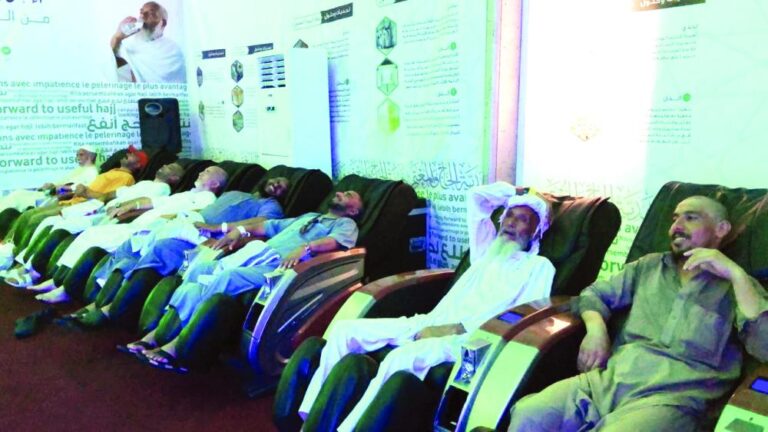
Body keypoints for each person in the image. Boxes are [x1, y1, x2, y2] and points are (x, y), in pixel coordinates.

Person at [294, 182, 555, 431]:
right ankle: (312, 418)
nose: (511, 223)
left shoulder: (539, 267)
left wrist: (456, 328)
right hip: (428, 321)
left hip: (469, 339)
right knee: (344, 330)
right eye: (509, 215)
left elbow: (522, 317)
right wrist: (516, 191)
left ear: (535, 231)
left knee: (398, 358)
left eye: (522, 219)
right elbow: (476, 197)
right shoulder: (486, 251)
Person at [507, 196, 768, 431]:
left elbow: (765, 348)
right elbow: (593, 295)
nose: (676, 226)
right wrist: (596, 331)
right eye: (674, 218)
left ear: (721, 229)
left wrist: (736, 274)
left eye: (691, 218)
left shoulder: (741, 288)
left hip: (671, 400)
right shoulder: (648, 267)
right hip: (608, 381)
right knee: (529, 414)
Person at [115, 190, 365, 372]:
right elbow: (266, 227)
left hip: (277, 268)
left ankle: (177, 343)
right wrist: (237, 231)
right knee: (201, 270)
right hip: (255, 256)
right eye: (341, 191)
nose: (341, 193)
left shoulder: (347, 223)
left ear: (354, 210)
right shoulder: (308, 216)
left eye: (349, 195)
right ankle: (158, 334)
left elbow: (337, 243)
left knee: (228, 278)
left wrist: (306, 248)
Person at [52, 176, 290, 322]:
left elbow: (263, 224)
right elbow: (199, 211)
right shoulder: (233, 193)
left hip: (203, 238)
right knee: (130, 244)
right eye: (278, 179)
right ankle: (98, 296)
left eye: (282, 187)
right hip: (187, 223)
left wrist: (219, 228)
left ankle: (108, 308)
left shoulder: (270, 205)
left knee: (160, 249)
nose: (277, 185)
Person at [34, 166, 228, 304]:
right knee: (88, 235)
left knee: (92, 236)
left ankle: (64, 287)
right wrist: (128, 205)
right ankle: (59, 280)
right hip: (136, 226)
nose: (200, 173)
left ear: (214, 183)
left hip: (149, 232)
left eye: (206, 172)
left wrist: (165, 218)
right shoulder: (185, 194)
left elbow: (192, 216)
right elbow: (152, 201)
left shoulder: (208, 198)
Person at [2, 162, 185, 288]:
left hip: (109, 217)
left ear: (175, 178)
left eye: (169, 167)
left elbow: (143, 205)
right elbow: (107, 196)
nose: (163, 166)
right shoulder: (143, 183)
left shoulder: (163, 189)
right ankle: (21, 264)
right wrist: (86, 192)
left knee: (59, 225)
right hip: (98, 208)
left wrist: (119, 208)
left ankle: (32, 273)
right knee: (49, 222)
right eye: (165, 164)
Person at [0, 146, 146, 269]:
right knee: (28, 214)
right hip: (68, 200)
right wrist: (58, 190)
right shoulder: (109, 172)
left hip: (81, 205)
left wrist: (71, 191)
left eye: (133, 155)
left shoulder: (126, 178)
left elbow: (105, 197)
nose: (129, 154)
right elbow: (70, 188)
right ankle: (9, 248)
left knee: (35, 218)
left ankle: (14, 257)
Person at [0, 146, 99, 213]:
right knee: (18, 193)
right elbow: (62, 183)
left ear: (91, 156)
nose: (78, 157)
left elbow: (80, 190)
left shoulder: (92, 172)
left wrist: (58, 189)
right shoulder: (79, 169)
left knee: (17, 198)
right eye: (77, 155)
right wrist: (52, 185)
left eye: (81, 154)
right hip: (50, 194)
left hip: (56, 198)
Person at [111, 2, 186, 83]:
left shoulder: (173, 51)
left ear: (163, 23)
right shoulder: (128, 45)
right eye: (141, 12)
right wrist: (117, 37)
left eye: (151, 14)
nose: (142, 16)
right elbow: (122, 78)